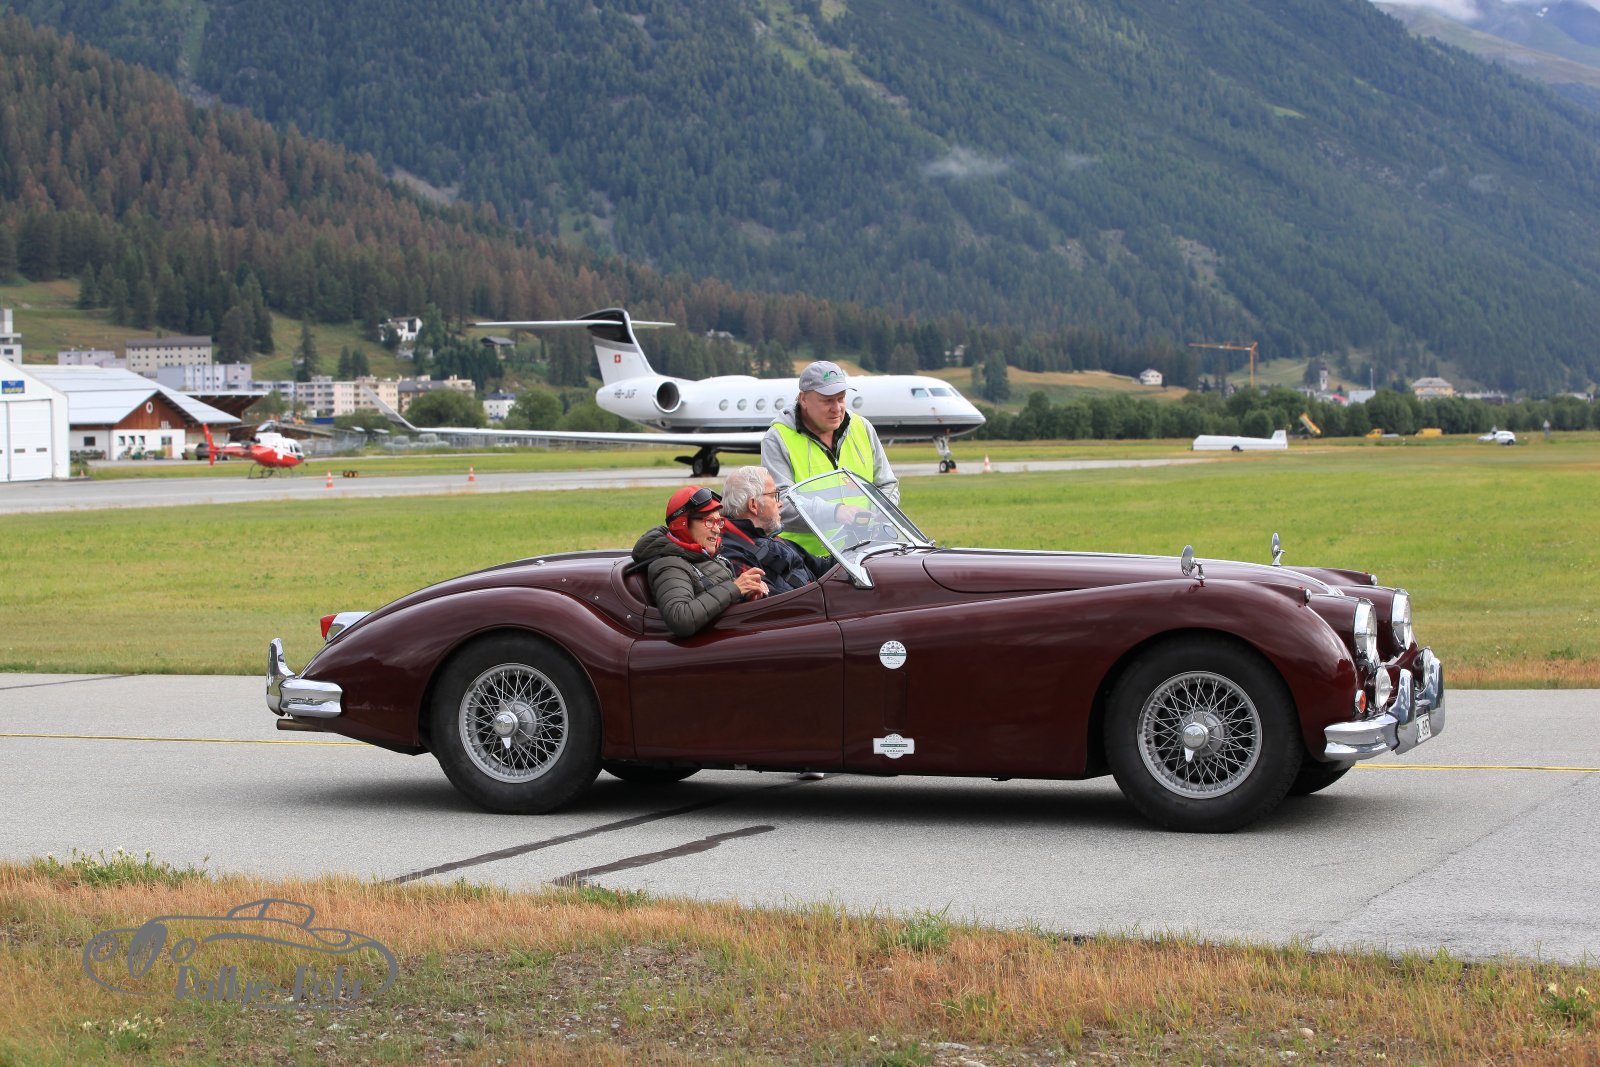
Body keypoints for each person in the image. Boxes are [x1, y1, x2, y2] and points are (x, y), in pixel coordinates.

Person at [761, 360, 899, 557]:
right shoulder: (778, 438)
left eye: (841, 399)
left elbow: (888, 484)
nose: (837, 408)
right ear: (804, 399)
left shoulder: (862, 427)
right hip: (804, 559)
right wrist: (836, 513)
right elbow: (779, 503)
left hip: (864, 554)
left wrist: (882, 512)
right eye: (827, 401)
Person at [631, 486, 767, 638]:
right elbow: (680, 618)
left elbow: (718, 599)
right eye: (709, 521)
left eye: (719, 522)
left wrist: (747, 594)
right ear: (683, 524)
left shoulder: (703, 556)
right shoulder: (670, 565)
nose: (717, 530)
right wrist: (735, 588)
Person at [717, 466, 832, 595]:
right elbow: (775, 601)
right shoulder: (732, 554)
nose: (780, 503)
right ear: (753, 505)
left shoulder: (768, 537)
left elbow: (820, 566)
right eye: (774, 496)